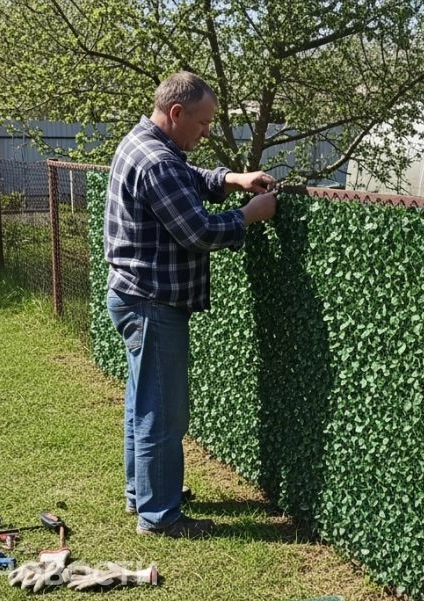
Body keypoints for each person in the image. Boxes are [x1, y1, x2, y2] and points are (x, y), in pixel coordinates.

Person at [104, 71, 277, 538]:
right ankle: (160, 517)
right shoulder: (158, 161)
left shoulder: (146, 144)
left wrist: (232, 179)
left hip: (133, 296)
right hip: (152, 304)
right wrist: (247, 216)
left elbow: (188, 179)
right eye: (202, 123)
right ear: (176, 113)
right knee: (163, 411)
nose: (206, 132)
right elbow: (197, 231)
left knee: (143, 403)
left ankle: (142, 495)